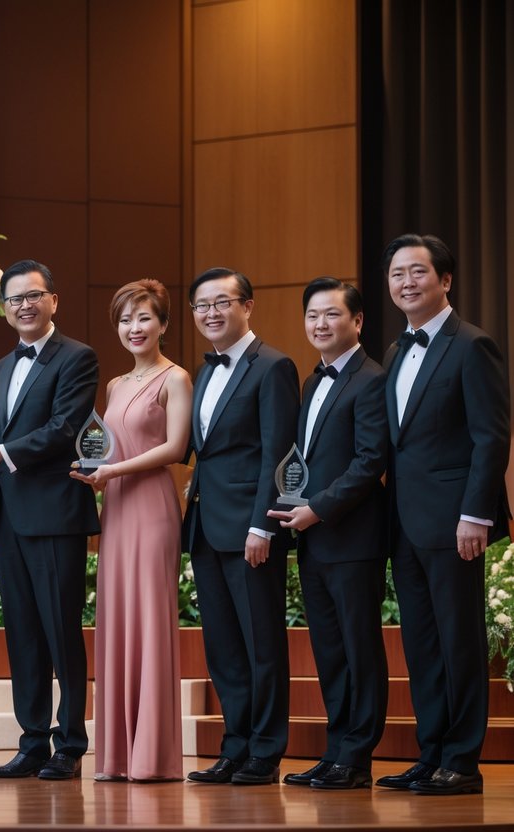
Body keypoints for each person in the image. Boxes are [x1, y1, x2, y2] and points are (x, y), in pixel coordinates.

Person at [0, 259, 100, 781]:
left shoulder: (78, 357)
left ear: (54, 300)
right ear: (4, 309)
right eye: (14, 299)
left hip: (55, 515)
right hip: (9, 514)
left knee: (60, 632)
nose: (24, 305)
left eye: (33, 296)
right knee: (23, 634)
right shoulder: (1, 367)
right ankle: (31, 742)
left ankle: (70, 744)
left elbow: (63, 429)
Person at [374, 234, 510, 796]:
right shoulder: (392, 350)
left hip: (456, 522)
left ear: (445, 280)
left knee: (459, 641)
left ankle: (463, 760)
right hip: (404, 521)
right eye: (397, 274)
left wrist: (475, 514)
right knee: (422, 642)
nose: (406, 283)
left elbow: (490, 436)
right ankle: (431, 753)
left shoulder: (471, 345)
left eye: (418, 273)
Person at [267, 277, 388, 790]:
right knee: (330, 651)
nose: (320, 324)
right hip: (314, 538)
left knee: (359, 648)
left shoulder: (372, 379)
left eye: (332, 315)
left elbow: (369, 462)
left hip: (352, 537)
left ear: (357, 321)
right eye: (312, 315)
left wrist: (317, 508)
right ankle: (337, 749)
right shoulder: (313, 381)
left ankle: (357, 757)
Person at [70, 279, 191, 782]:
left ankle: (153, 755)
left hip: (153, 505)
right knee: (117, 619)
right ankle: (118, 755)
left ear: (163, 324)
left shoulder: (177, 378)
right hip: (116, 508)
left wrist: (112, 473)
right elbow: (108, 449)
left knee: (148, 620)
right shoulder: (116, 384)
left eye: (144, 318)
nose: (134, 328)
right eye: (125, 320)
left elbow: (175, 448)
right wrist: (95, 474)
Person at [182, 267, 299, 786]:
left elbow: (278, 453)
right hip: (207, 527)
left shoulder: (273, 366)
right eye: (202, 305)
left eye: (221, 302)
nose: (210, 313)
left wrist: (263, 527)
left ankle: (266, 751)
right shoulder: (204, 371)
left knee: (261, 644)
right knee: (224, 647)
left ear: (247, 307)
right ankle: (234, 746)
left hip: (251, 529)